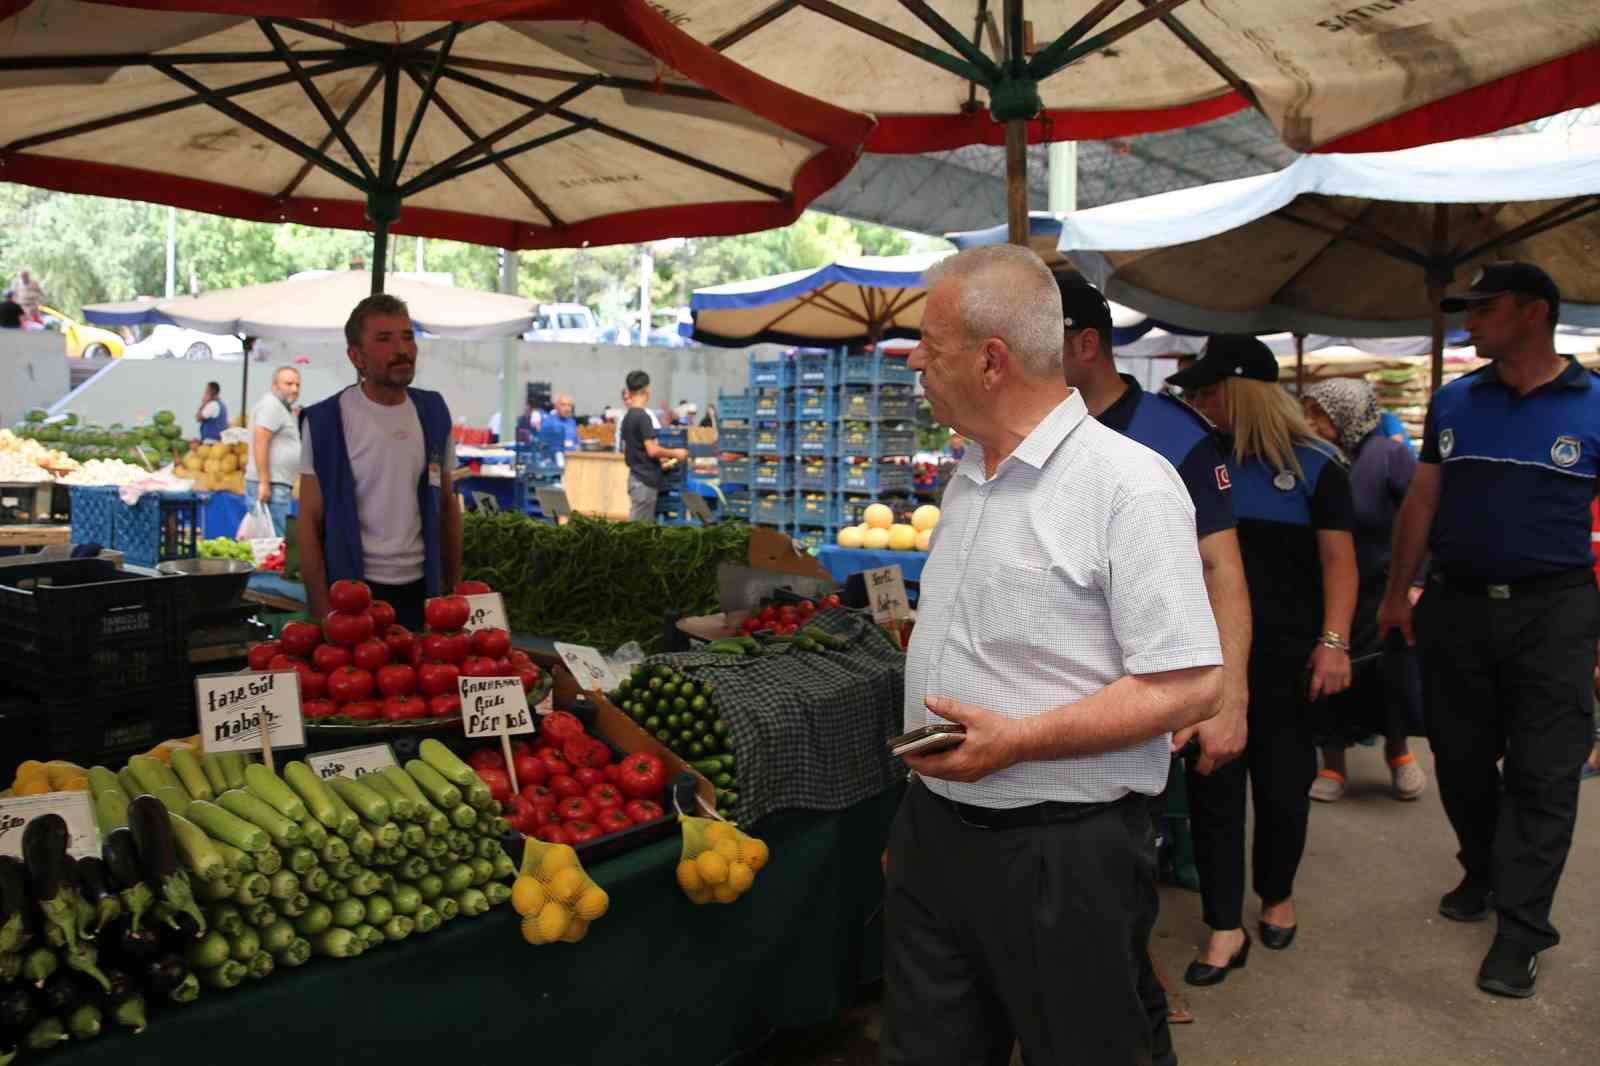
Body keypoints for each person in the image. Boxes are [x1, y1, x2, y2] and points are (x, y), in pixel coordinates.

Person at [885, 246, 1223, 1066]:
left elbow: (1189, 685)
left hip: (1062, 855)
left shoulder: (1127, 485)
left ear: (992, 360)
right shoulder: (969, 475)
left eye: (930, 343)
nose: (914, 360)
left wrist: (1021, 741)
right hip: (939, 835)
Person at [1377, 262, 1600, 999]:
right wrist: (1396, 596)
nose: (1469, 322)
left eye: (1484, 308)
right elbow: (1422, 503)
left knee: (1544, 772)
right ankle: (1484, 866)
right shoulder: (1454, 402)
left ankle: (1522, 929)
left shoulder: (1595, 403)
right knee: (1463, 761)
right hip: (1456, 607)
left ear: (1534, 312)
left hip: (1556, 611)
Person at [1059, 278, 1251, 1057]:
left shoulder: (1174, 435)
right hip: (1078, 692)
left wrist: (1228, 695)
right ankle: (1135, 985)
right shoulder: (1037, 433)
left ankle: (1196, 949)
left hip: (1164, 679)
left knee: (1149, 840)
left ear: (1086, 342)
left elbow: (1225, 571)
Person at [1167, 336, 1356, 987]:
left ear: (1240, 393)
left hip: (1288, 661)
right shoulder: (1197, 460)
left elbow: (1340, 562)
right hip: (1209, 657)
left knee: (1282, 791)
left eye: (1207, 391)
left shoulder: (1316, 465)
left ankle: (1277, 893)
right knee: (1213, 789)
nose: (1197, 403)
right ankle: (1225, 926)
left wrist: (1334, 642)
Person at [297, 294, 461, 630]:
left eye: (408, 336)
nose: (402, 349)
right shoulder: (325, 420)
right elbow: (309, 522)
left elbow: (447, 504)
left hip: (422, 587)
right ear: (356, 356)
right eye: (384, 339)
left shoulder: (433, 412)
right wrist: (321, 609)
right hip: (353, 592)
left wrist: (453, 587)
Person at [1300, 378, 1427, 802]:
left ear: (1347, 414)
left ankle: (1399, 754)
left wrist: (1416, 582)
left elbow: (1420, 520)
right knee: (1327, 675)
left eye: (1320, 413)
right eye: (1309, 412)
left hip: (1381, 589)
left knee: (1385, 676)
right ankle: (1333, 765)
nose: (1311, 422)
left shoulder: (1388, 455)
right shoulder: (1316, 458)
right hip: (1329, 589)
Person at [619, 370, 687, 523]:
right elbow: (652, 450)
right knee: (638, 533)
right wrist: (676, 453)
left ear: (629, 391)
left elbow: (632, 450)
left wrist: (660, 461)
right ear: (647, 390)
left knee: (641, 528)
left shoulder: (627, 417)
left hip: (636, 477)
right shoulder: (643, 417)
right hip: (644, 482)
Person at [244, 366, 302, 537]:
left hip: (277, 484)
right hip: (271, 485)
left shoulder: (281, 407)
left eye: (297, 385)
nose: (294, 389)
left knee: (273, 540)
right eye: (289, 384)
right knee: (274, 542)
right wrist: (264, 482)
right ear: (275, 386)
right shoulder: (272, 406)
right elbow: (261, 439)